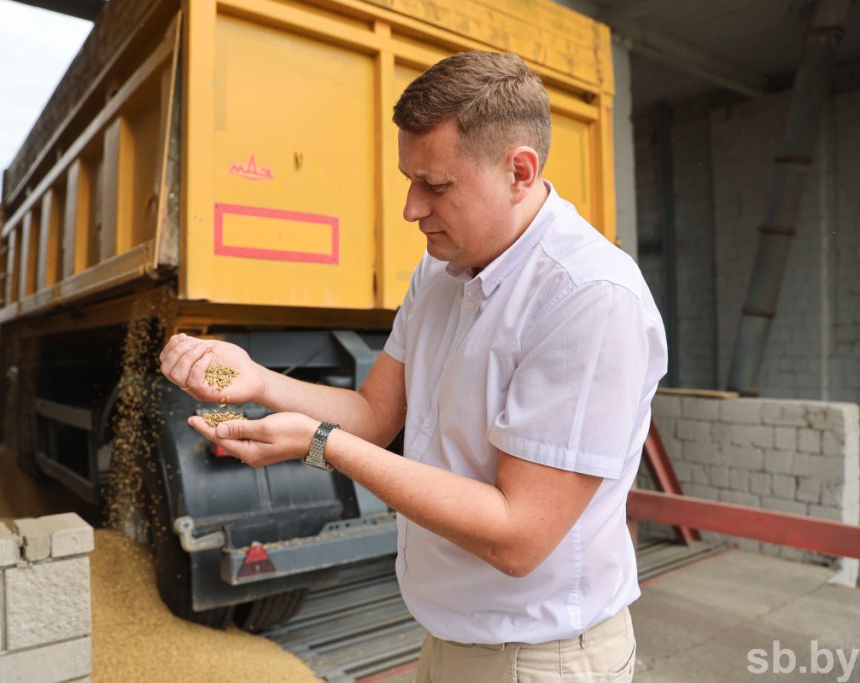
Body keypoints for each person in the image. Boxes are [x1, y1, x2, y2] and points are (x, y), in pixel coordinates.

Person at [159, 50, 667, 682]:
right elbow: (374, 414)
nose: (411, 208)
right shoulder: (440, 271)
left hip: (541, 658)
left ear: (519, 171)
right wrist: (258, 381)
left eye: (437, 185)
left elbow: (517, 536)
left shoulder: (588, 297)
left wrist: (320, 444)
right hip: (447, 638)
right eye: (410, 179)